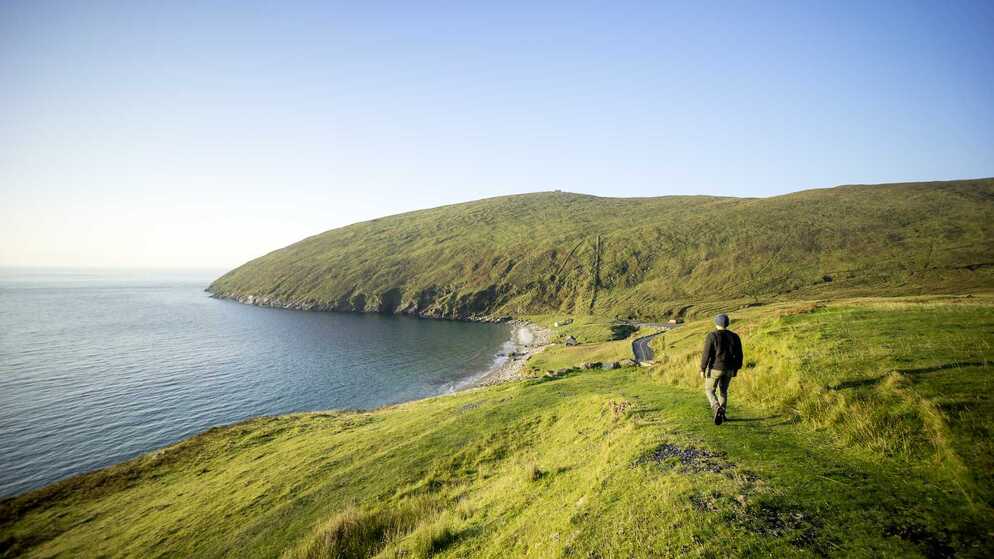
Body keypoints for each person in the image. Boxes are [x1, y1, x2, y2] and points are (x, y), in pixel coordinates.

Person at [699, 313, 743, 425]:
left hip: (715, 368)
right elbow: (739, 355)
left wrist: (702, 369)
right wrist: (736, 368)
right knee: (723, 391)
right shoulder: (735, 336)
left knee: (709, 390)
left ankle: (716, 407)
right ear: (727, 323)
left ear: (716, 323)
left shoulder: (712, 336)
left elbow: (706, 354)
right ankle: (722, 414)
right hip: (729, 368)